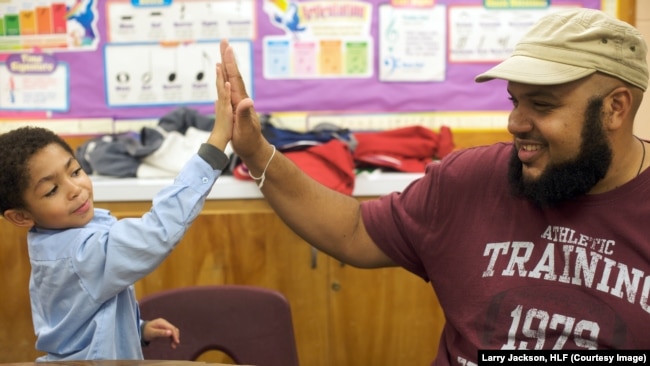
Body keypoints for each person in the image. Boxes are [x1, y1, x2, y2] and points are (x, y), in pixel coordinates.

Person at [219, 7, 650, 366]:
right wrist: (256, 151)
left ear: (615, 108)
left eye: (542, 104)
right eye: (515, 101)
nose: (516, 123)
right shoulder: (472, 180)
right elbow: (351, 230)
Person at [0, 63, 233, 360]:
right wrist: (215, 146)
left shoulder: (58, 240)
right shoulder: (78, 253)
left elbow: (78, 319)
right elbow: (155, 233)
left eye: (75, 171)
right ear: (21, 216)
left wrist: (137, 329)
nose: (74, 188)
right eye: (51, 190)